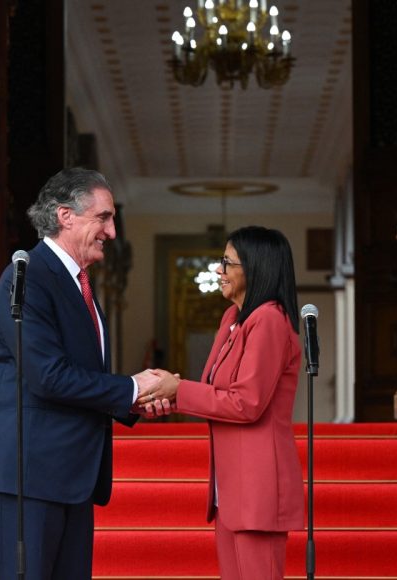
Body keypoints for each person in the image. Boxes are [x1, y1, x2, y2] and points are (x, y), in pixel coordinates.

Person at [0, 168, 163, 579]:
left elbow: (78, 373)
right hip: (30, 473)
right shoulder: (26, 278)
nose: (112, 232)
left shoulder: (76, 282)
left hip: (71, 472)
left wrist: (135, 400)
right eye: (104, 218)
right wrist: (132, 388)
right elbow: (49, 376)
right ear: (66, 216)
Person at [142, 226, 305, 580]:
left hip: (258, 486)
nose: (219, 270)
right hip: (231, 488)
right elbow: (212, 392)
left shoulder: (270, 320)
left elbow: (246, 403)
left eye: (227, 263)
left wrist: (177, 389)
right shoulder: (233, 318)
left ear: (256, 268)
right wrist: (160, 397)